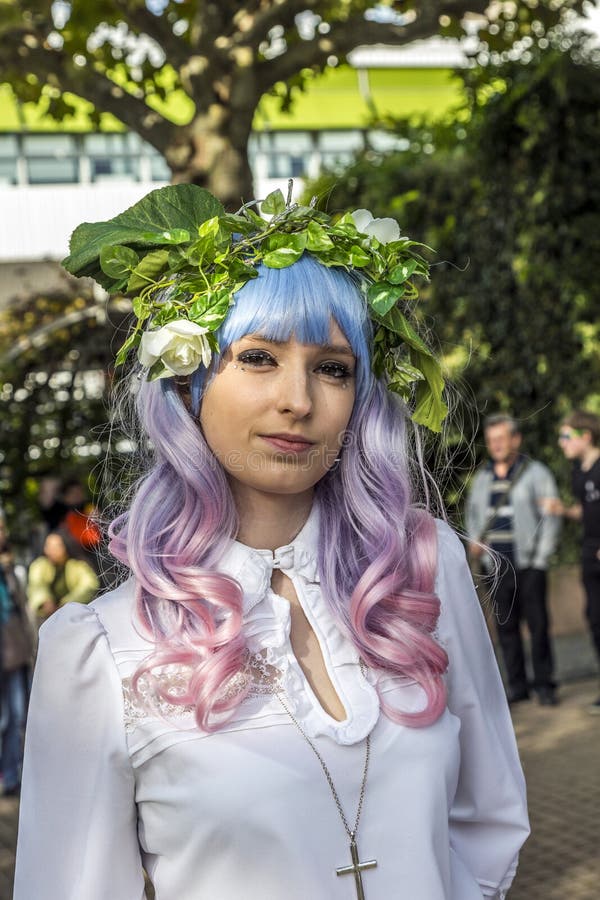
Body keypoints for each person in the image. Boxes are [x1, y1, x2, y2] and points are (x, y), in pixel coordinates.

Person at [15, 185, 529, 900]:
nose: (298, 399)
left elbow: (490, 821)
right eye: (258, 357)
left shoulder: (422, 565)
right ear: (189, 379)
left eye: (332, 367)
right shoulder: (100, 650)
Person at [466, 414, 561, 706]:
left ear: (515, 439)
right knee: (506, 627)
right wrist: (477, 549)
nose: (495, 444)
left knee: (538, 624)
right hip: (497, 566)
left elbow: (551, 517)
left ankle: (545, 685)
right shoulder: (482, 479)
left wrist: (541, 558)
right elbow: (473, 518)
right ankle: (518, 686)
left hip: (529, 563)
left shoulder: (536, 473)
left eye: (501, 438)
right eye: (491, 439)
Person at [544, 410, 600, 713]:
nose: (561, 442)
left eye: (566, 436)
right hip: (589, 555)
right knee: (594, 619)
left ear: (586, 436)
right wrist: (563, 510)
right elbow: (584, 510)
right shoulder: (579, 473)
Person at [0, 513, 35, 797]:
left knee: (17, 716)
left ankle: (12, 776)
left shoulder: (12, 568)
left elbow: (22, 608)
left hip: (15, 650)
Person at [27, 528, 99, 624]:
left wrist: (66, 604)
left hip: (74, 615)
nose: (51, 550)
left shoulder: (77, 565)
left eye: (56, 547)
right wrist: (45, 601)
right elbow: (36, 585)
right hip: (47, 617)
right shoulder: (39, 565)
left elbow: (89, 584)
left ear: (66, 546)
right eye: (48, 546)